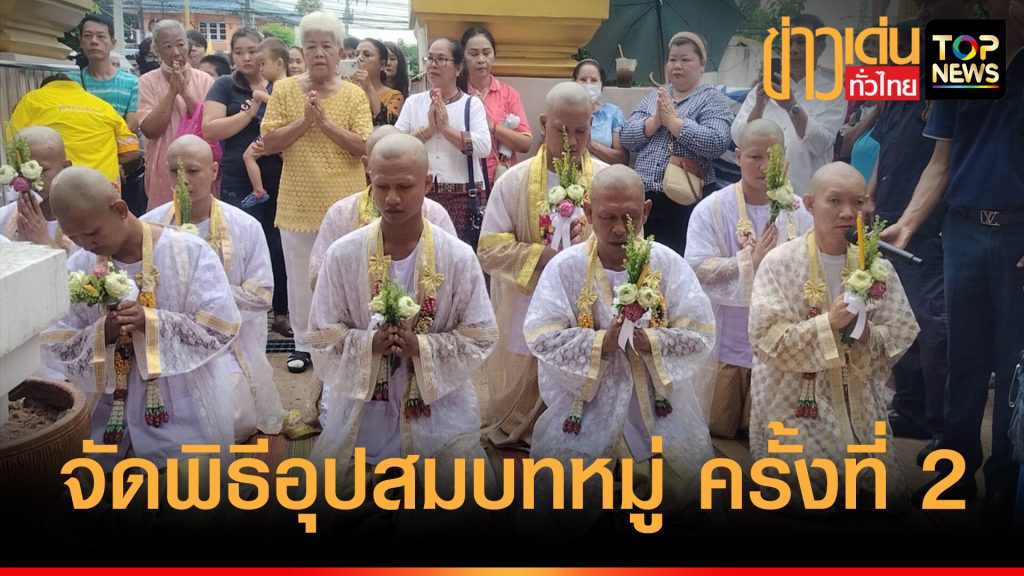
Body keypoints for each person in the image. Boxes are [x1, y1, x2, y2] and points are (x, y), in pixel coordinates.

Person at [880, 0, 1023, 529]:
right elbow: (940, 162)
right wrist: (908, 223)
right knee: (963, 360)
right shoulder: (966, 56)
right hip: (961, 229)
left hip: (1019, 233)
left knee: (1013, 363)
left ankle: (1005, 486)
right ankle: (954, 477)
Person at [305, 133, 498, 525]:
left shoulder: (457, 257)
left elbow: (480, 334)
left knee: (472, 504)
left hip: (436, 407)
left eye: (405, 187)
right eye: (382, 187)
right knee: (321, 505)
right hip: (363, 408)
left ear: (427, 183)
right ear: (369, 179)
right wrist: (369, 343)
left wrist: (420, 348)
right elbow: (322, 333)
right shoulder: (343, 255)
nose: (392, 198)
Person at [522, 165, 717, 536]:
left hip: (657, 406)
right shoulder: (565, 267)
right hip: (587, 406)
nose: (618, 230)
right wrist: (601, 343)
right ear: (588, 212)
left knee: (685, 492)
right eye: (607, 217)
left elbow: (701, 331)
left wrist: (650, 341)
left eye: (629, 217)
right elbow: (541, 335)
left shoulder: (667, 263)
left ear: (645, 211)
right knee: (565, 497)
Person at [42, 165, 239, 470]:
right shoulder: (79, 265)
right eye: (74, 237)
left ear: (120, 209)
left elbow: (220, 327)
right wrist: (104, 332)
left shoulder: (188, 251)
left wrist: (150, 322)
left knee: (189, 489)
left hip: (181, 405)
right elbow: (57, 340)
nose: (86, 245)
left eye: (92, 233)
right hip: (106, 412)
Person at [748, 162, 919, 510]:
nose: (847, 213)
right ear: (810, 204)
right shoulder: (779, 262)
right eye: (835, 201)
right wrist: (828, 323)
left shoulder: (877, 267)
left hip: (860, 402)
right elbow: (766, 338)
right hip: (797, 401)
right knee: (814, 497)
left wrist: (866, 334)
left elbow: (902, 330)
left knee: (888, 498)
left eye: (858, 202)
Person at [140, 135, 306, 441]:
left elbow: (261, 296)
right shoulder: (148, 227)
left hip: (227, 343)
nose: (183, 181)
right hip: (167, 339)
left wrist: (206, 299)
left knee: (231, 417)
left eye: (193, 171)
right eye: (175, 172)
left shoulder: (244, 226)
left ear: (214, 171)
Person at [477, 82, 607, 449]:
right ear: (543, 123)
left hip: (587, 301)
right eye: (562, 130)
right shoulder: (513, 181)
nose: (571, 141)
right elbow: (489, 249)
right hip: (527, 297)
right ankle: (523, 429)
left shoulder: (605, 180)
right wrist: (542, 257)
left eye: (581, 131)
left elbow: (628, 243)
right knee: (522, 393)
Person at [684, 119, 813, 439]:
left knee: (775, 432)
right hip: (729, 340)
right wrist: (748, 262)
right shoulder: (712, 208)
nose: (765, 166)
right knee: (719, 428)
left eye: (774, 157)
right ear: (738, 156)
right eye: (755, 156)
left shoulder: (799, 211)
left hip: (781, 339)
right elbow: (695, 268)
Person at [261, 11, 373, 374]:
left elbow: (364, 145)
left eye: (327, 46)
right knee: (299, 278)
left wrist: (324, 124)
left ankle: (346, 340)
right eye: (311, 46)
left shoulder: (354, 94)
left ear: (340, 52)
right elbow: (269, 141)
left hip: (346, 202)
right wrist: (304, 121)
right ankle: (303, 344)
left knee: (347, 274)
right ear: (302, 51)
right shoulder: (283, 90)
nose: (319, 53)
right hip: (297, 200)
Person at [862, 20, 948, 461]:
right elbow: (884, 149)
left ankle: (939, 421)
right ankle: (911, 409)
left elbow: (943, 159)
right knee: (895, 315)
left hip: (927, 225)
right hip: (888, 215)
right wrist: (869, 195)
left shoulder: (943, 90)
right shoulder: (897, 90)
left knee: (930, 325)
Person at [206, 30, 292, 339]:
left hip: (279, 172)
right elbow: (210, 129)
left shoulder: (283, 85)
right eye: (239, 52)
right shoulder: (225, 85)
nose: (247, 58)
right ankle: (236, 313)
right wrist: (248, 114)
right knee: (237, 244)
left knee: (278, 244)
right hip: (238, 176)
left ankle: (281, 312)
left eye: (253, 51)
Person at [620, 31, 734, 255]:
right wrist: (654, 122)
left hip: (685, 200)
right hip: (644, 198)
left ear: (701, 64)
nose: (677, 66)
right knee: (640, 259)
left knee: (676, 262)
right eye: (672, 59)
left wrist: (675, 123)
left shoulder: (712, 99)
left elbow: (717, 141)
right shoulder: (655, 96)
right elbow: (626, 137)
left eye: (685, 59)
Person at [308, 125, 456, 290]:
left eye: (403, 186)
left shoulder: (434, 213)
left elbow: (452, 273)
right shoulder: (341, 213)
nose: (392, 198)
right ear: (367, 164)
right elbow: (319, 276)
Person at [730, 14, 847, 196]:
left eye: (802, 41)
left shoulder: (834, 92)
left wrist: (791, 107)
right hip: (760, 197)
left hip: (806, 198)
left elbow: (821, 144)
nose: (793, 49)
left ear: (821, 47)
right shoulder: (761, 90)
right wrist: (759, 106)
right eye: (789, 42)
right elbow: (739, 138)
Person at [395, 37, 490, 247]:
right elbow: (396, 146)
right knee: (421, 252)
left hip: (462, 197)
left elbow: (484, 146)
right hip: (420, 194)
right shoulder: (413, 103)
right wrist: (428, 130)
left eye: (441, 59)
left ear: (458, 68)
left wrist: (446, 129)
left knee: (457, 254)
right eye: (429, 59)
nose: (433, 65)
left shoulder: (471, 104)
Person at [7, 74, 139, 186]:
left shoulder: (31, 100)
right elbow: (131, 152)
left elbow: (12, 145)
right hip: (102, 187)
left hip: (56, 189)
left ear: (44, 88)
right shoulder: (104, 107)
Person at [138, 20, 215, 210]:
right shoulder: (147, 81)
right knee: (166, 219)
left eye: (180, 44)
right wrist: (172, 92)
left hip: (198, 165)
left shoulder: (204, 80)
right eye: (167, 47)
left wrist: (185, 93)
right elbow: (150, 130)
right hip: (163, 167)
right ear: (156, 50)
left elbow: (209, 126)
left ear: (188, 46)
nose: (175, 52)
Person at [460, 27, 532, 186]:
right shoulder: (457, 94)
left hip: (501, 180)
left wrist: (493, 127)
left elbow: (525, 143)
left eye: (486, 53)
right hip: (465, 183)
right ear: (463, 57)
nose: (481, 60)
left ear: (494, 55)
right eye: (473, 54)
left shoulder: (508, 94)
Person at [0, 126, 78, 254]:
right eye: (20, 172)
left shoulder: (84, 220)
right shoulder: (5, 216)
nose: (28, 180)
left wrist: (43, 240)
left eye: (41, 170)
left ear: (65, 168)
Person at [76, 14, 140, 132]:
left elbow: (131, 127)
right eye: (88, 36)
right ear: (81, 42)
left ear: (113, 43)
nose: (94, 41)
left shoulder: (132, 83)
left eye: (101, 36)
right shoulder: (72, 82)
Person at [572, 58, 628, 165]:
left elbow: (622, 159)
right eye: (583, 79)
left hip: (605, 173)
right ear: (575, 82)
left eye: (594, 80)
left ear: (601, 84)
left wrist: (591, 145)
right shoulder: (563, 110)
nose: (588, 84)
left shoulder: (613, 113)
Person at [352, 38, 404, 126]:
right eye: (356, 54)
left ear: (382, 65)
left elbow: (389, 126)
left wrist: (369, 88)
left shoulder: (394, 96)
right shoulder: (349, 90)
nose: (359, 58)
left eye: (367, 55)